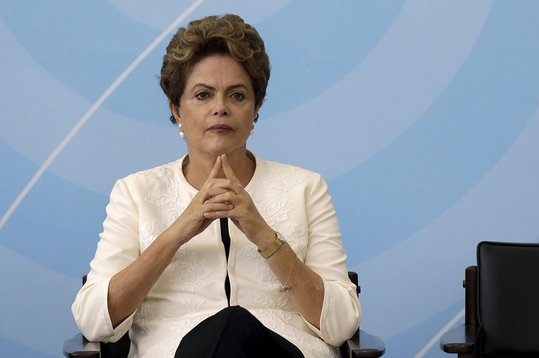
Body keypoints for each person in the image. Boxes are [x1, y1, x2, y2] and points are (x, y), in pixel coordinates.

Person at [71, 13, 361, 358]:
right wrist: (178, 231)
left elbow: (342, 323)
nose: (220, 108)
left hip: (283, 351)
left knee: (235, 326)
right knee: (224, 330)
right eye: (203, 95)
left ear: (256, 110)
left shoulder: (306, 188)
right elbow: (93, 321)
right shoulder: (136, 193)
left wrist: (264, 235)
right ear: (176, 110)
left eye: (237, 96)